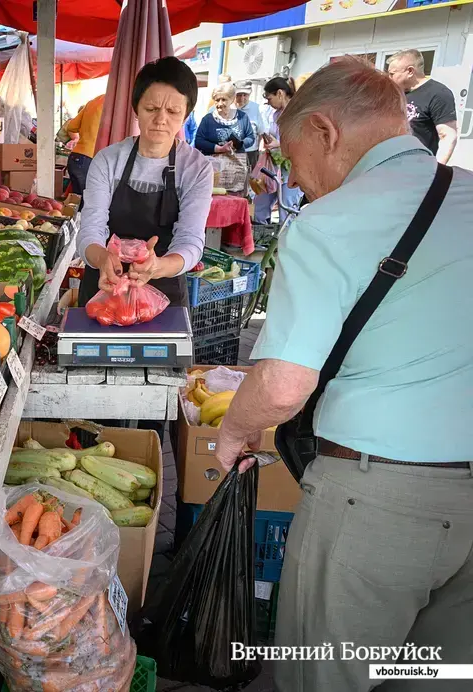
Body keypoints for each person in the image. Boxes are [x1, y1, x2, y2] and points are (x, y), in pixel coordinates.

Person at [213, 58, 473, 692]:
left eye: (299, 167)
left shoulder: (328, 224)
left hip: (377, 501)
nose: (303, 186)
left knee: (324, 679)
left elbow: (282, 387)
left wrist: (233, 432)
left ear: (325, 132)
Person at [76, 57, 213, 307]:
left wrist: (159, 265)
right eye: (151, 109)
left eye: (173, 111)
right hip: (106, 286)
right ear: (136, 108)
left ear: (186, 116)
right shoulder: (107, 161)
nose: (161, 119)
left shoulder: (197, 168)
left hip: (165, 288)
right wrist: (102, 258)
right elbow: (90, 230)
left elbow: (191, 239)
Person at [386, 49, 458, 164]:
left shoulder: (438, 94)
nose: (389, 78)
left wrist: (437, 170)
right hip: (390, 166)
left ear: (410, 71)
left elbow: (447, 135)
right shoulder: (397, 93)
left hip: (418, 169)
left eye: (392, 74)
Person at [254, 76, 304, 224]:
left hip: (292, 170)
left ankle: (285, 243)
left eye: (270, 99)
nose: (268, 103)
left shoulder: (298, 113)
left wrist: (279, 144)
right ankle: (261, 241)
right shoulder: (274, 114)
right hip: (274, 168)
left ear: (280, 94)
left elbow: (302, 141)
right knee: (260, 205)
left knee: (287, 210)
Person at [58, 94, 105, 196]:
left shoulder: (93, 102)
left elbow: (71, 126)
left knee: (77, 201)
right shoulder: (116, 104)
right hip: (90, 159)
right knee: (88, 201)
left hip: (76, 157)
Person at [193, 83, 257, 157]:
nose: (220, 104)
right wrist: (219, 149)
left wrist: (239, 144)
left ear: (232, 99)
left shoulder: (242, 117)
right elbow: (198, 141)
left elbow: (250, 137)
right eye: (217, 100)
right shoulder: (207, 119)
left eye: (224, 100)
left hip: (236, 164)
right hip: (213, 164)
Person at [234, 82, 264, 171]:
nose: (242, 98)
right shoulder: (229, 107)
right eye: (239, 95)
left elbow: (261, 132)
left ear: (250, 94)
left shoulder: (256, 108)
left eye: (245, 95)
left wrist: (258, 151)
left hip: (250, 152)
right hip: (232, 152)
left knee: (248, 180)